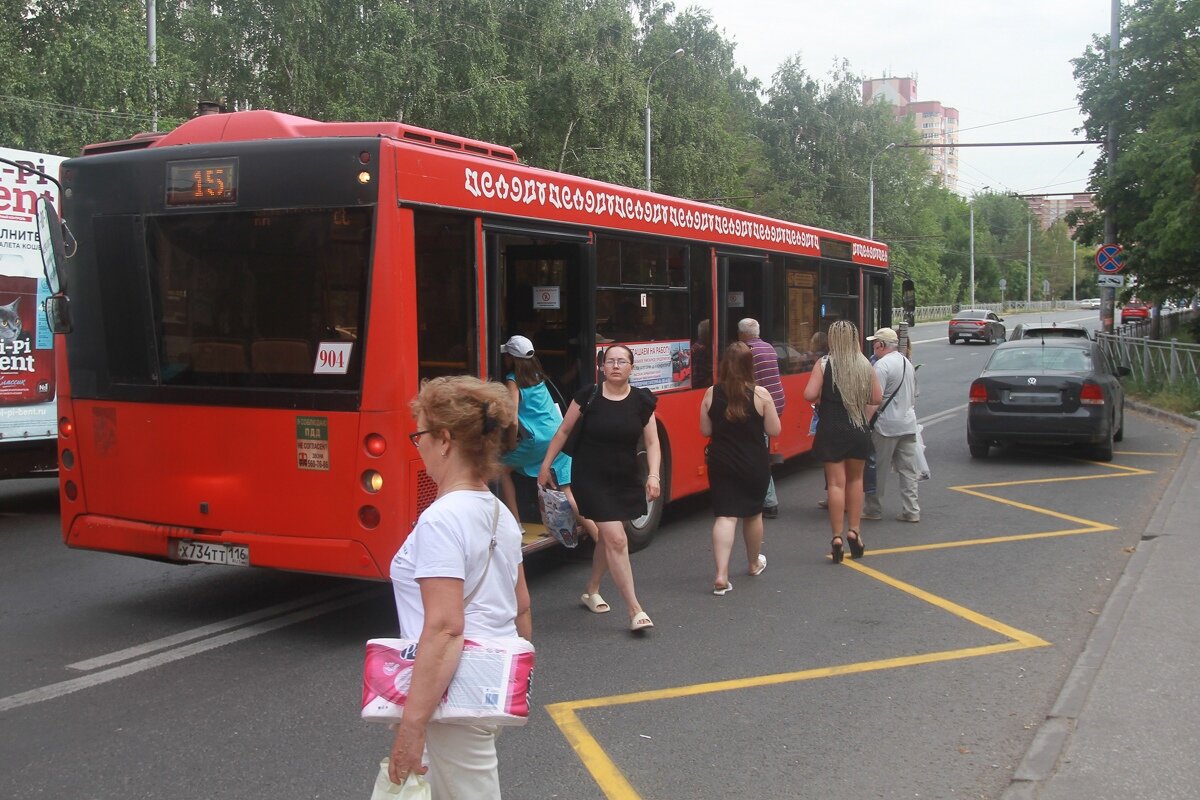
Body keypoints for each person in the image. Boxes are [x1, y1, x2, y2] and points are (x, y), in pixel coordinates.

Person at [388, 376, 532, 797]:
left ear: (445, 439)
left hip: (452, 694)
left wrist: (413, 724)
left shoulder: (441, 519)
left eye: (420, 434)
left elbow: (446, 627)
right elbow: (521, 605)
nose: (418, 445)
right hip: (486, 682)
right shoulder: (499, 513)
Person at [538, 344, 660, 632]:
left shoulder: (642, 401)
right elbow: (564, 430)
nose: (616, 366)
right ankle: (635, 609)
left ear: (632, 367)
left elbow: (652, 442)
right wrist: (546, 464)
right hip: (591, 478)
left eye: (622, 361)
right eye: (610, 361)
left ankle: (591, 589)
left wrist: (653, 475)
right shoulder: (588, 396)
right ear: (602, 367)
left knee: (607, 539)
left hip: (625, 478)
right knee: (617, 539)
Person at [700, 342, 782, 594]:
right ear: (750, 365)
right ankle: (753, 562)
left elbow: (705, 431)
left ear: (724, 365)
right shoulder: (761, 394)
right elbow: (774, 430)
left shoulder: (711, 393)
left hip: (721, 461)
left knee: (725, 515)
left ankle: (721, 574)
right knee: (753, 514)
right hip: (753, 462)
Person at [497, 335, 592, 538]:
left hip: (537, 441)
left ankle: (515, 522)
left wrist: (511, 444)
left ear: (511, 359)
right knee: (567, 490)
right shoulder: (538, 376)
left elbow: (512, 419)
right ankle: (599, 535)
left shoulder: (513, 381)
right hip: (558, 436)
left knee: (501, 470)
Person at [803, 320, 882, 563]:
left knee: (836, 484)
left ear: (832, 340)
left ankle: (836, 536)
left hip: (831, 429)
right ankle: (854, 530)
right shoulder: (864, 364)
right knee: (856, 480)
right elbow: (876, 397)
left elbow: (808, 395)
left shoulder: (824, 363)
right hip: (857, 428)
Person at [863, 327, 921, 523]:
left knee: (877, 470)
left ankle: (873, 509)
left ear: (881, 345)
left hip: (886, 426)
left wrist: (863, 422)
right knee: (908, 470)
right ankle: (911, 510)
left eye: (874, 343)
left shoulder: (881, 366)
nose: (873, 347)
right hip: (908, 423)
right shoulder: (907, 363)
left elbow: (874, 399)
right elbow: (915, 394)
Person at [737, 318, 785, 518]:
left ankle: (769, 502)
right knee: (760, 452)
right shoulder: (768, 348)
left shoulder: (748, 351)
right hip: (775, 402)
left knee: (759, 457)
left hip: (761, 406)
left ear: (742, 334)